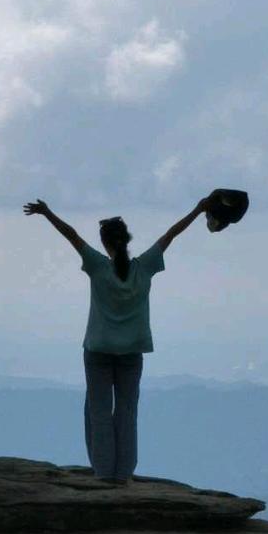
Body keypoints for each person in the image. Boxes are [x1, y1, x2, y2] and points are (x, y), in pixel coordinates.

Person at [22, 197, 209, 485]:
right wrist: (199, 209)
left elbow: (71, 235)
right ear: (126, 241)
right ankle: (123, 473)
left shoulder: (98, 266)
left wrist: (47, 212)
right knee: (127, 409)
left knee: (98, 410)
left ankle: (104, 473)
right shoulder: (144, 267)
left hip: (97, 350)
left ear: (105, 241)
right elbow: (172, 233)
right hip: (132, 351)